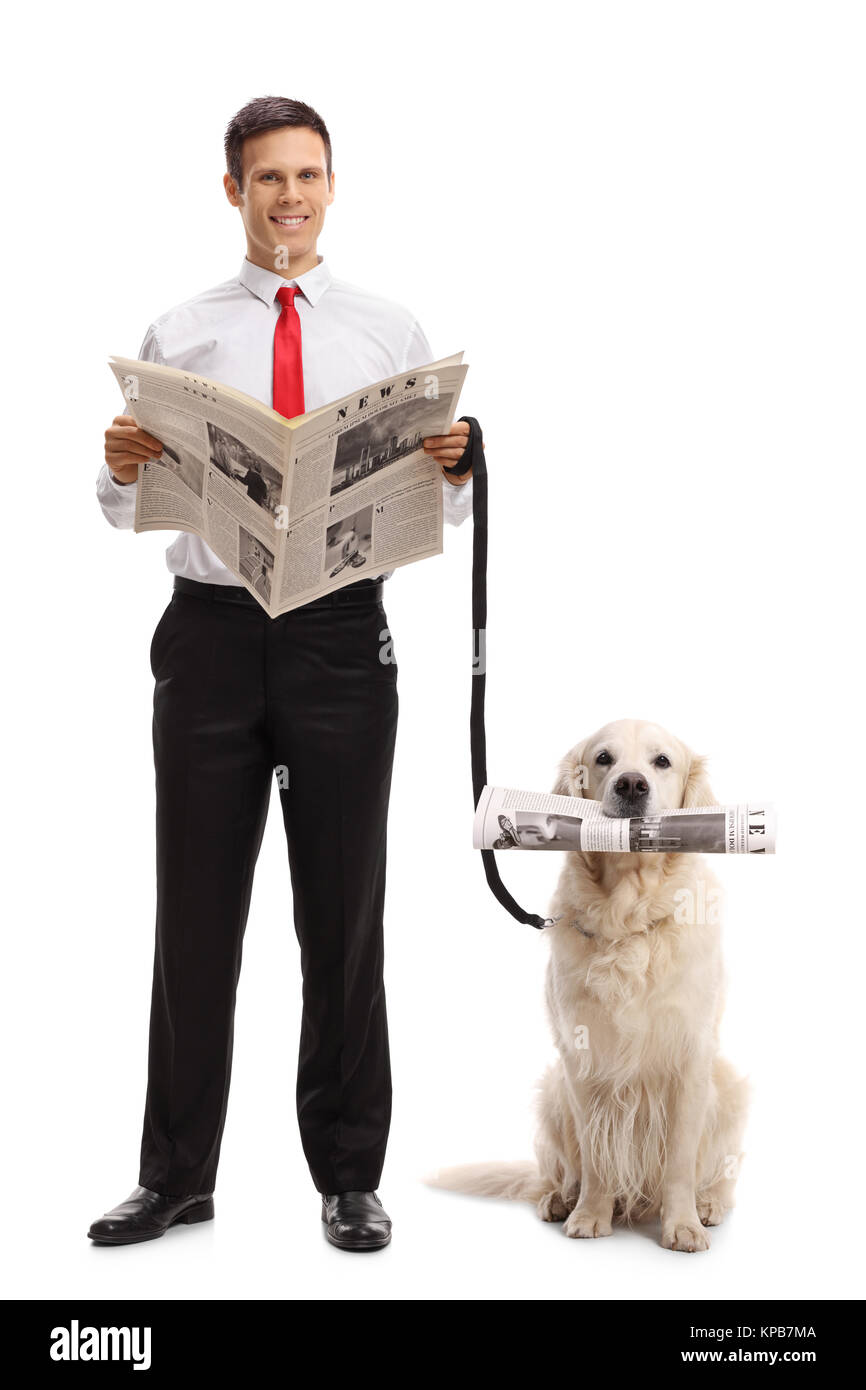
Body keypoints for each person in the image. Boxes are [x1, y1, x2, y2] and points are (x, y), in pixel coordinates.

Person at [89, 96, 475, 1252]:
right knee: (193, 918)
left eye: (307, 175)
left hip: (340, 639)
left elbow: (432, 503)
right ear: (233, 192)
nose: (289, 197)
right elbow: (124, 505)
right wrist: (115, 464)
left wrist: (458, 461)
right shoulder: (182, 329)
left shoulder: (388, 329)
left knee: (341, 916)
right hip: (208, 636)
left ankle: (349, 1176)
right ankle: (174, 1176)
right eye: (267, 179)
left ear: (332, 184)